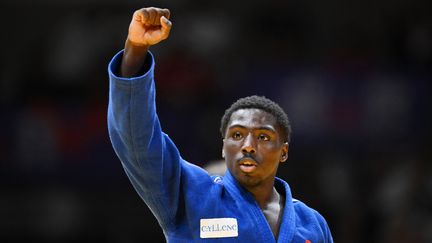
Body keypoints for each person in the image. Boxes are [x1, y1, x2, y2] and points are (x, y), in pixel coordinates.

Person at [107, 7, 333, 242]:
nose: (248, 146)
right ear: (224, 148)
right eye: (236, 135)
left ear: (284, 151)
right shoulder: (192, 195)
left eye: (263, 137)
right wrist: (136, 50)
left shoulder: (312, 223)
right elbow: (139, 143)